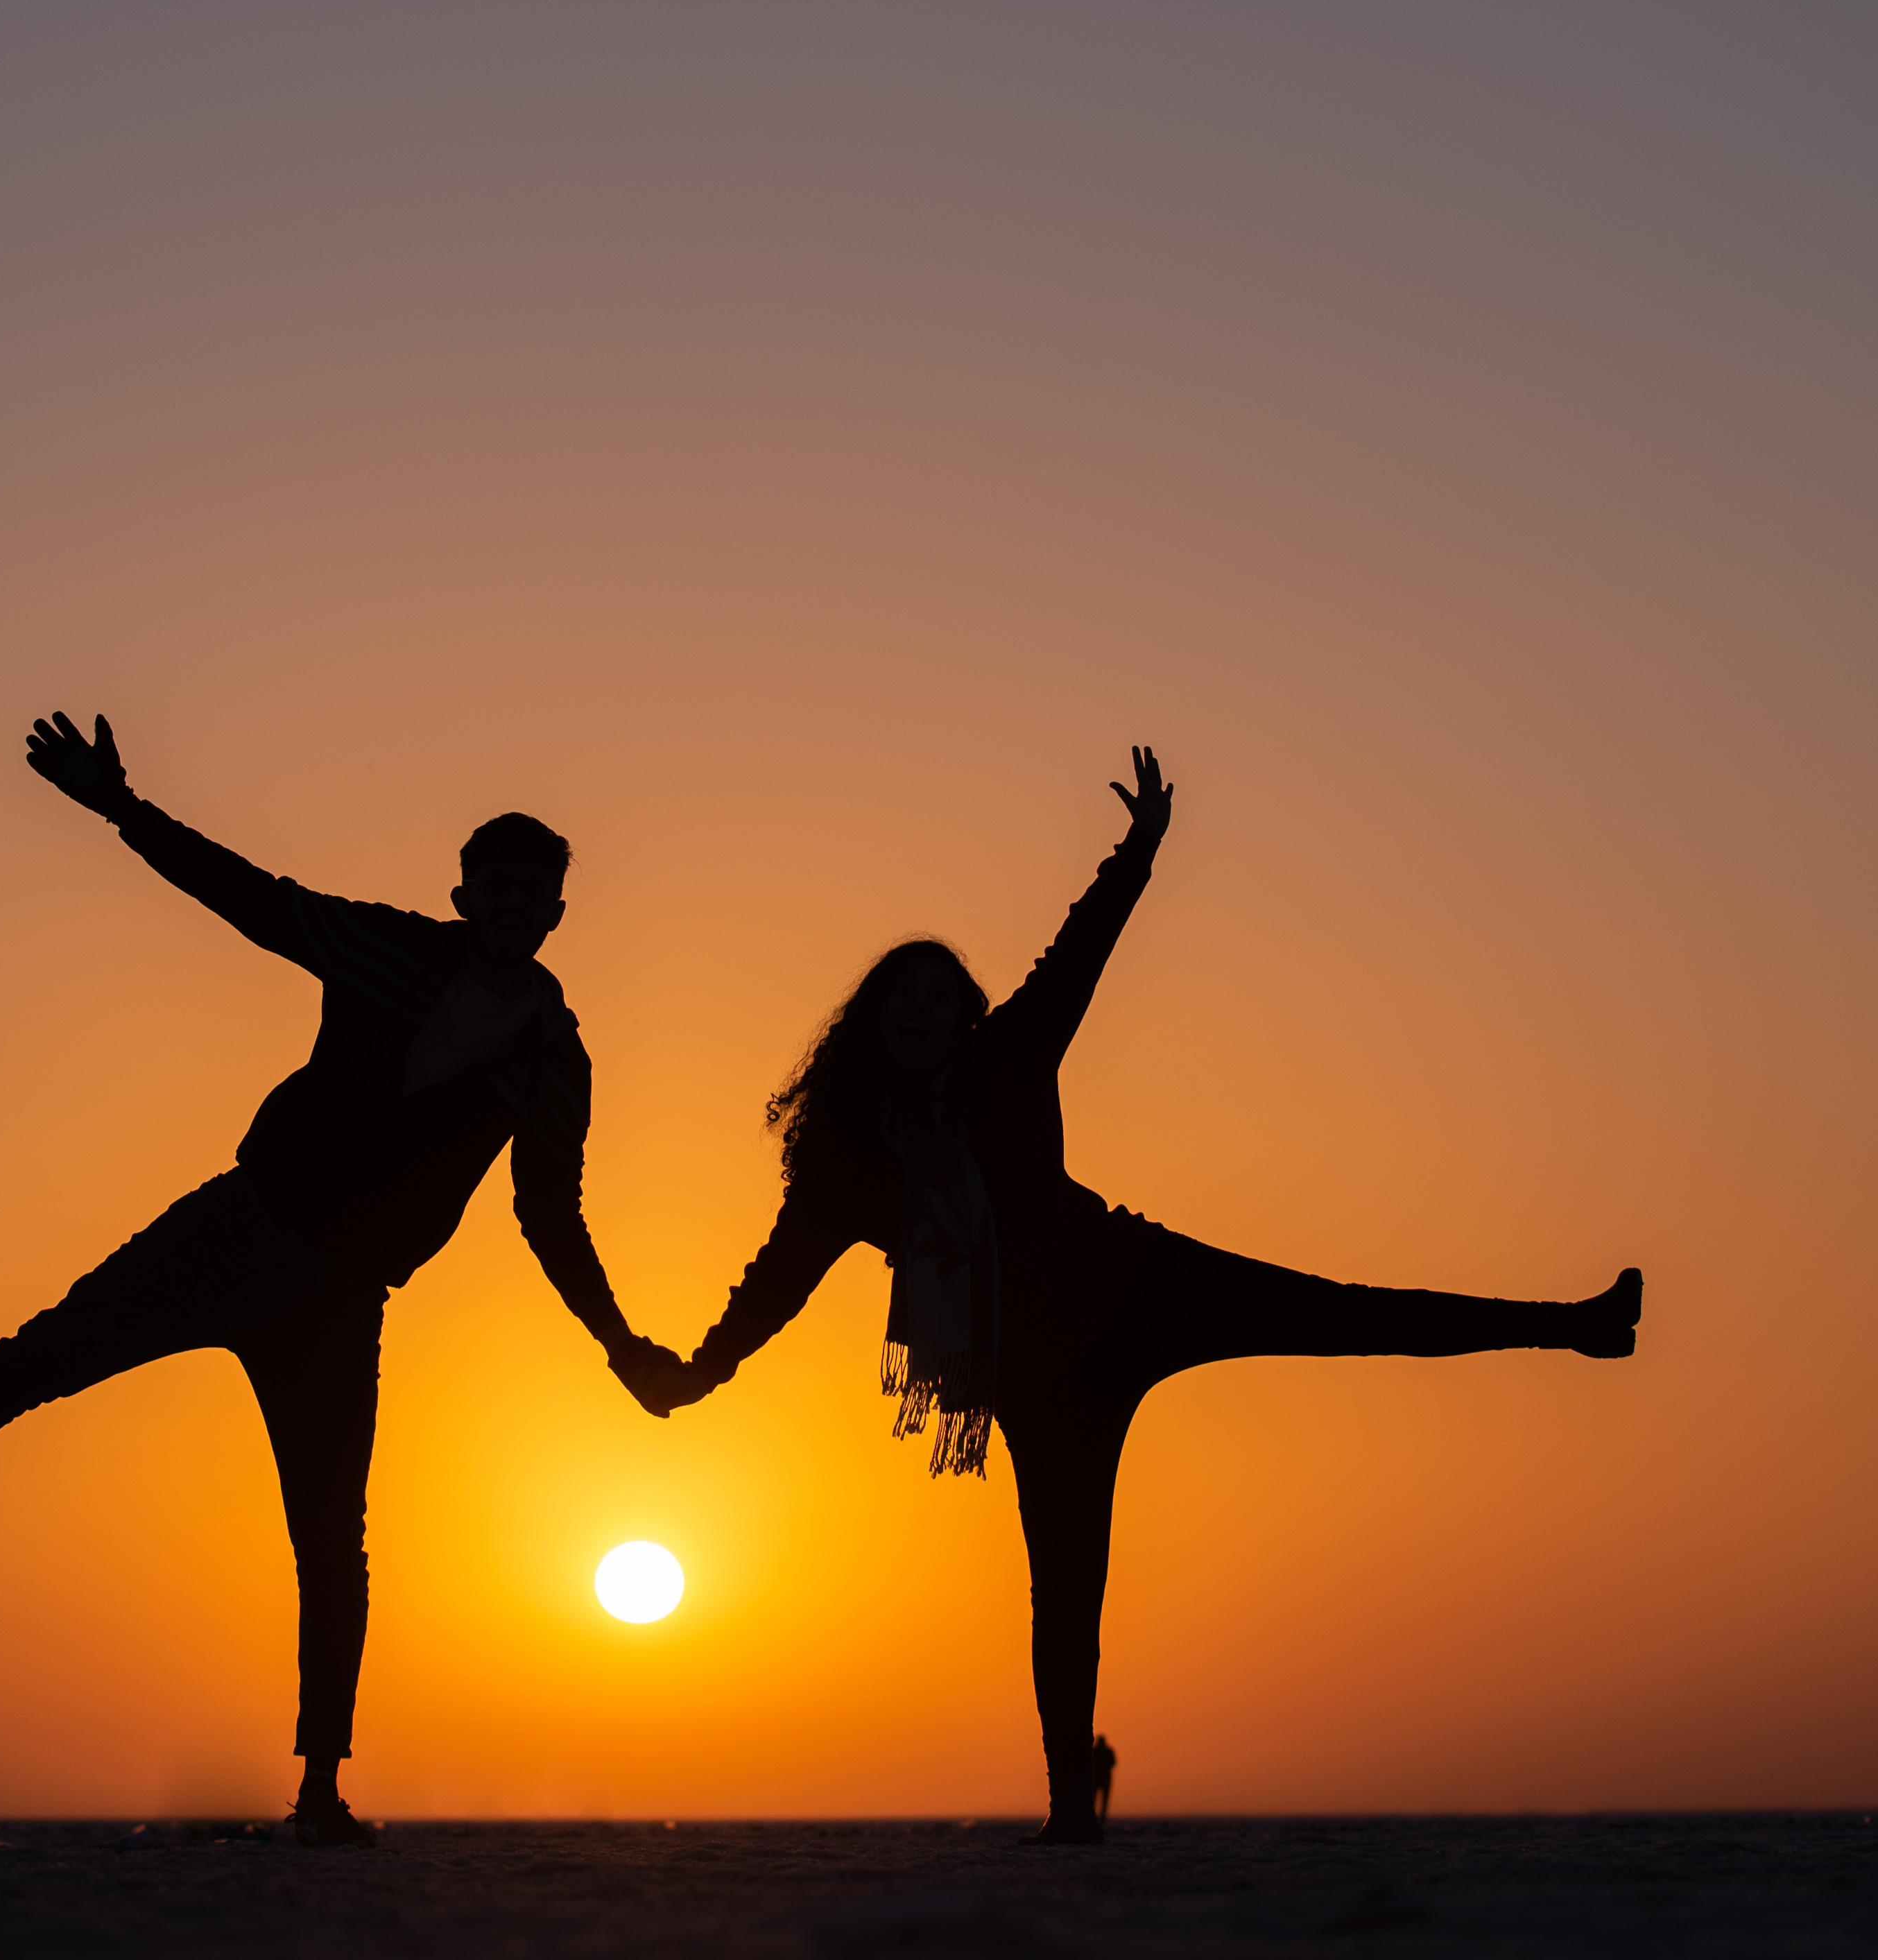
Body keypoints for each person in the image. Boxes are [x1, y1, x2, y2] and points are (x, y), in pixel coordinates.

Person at [0, 711, 691, 1846]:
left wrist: (617, 1341)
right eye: (494, 886)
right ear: (462, 896)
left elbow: (552, 1215)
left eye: (533, 893)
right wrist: (122, 810)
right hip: (238, 1227)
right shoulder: (381, 949)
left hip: (340, 1297)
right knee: (32, 1361)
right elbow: (247, 895)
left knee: (331, 1536)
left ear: (554, 914)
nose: (510, 908)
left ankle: (321, 1786)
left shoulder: (554, 1063)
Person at [662, 748, 1644, 1842]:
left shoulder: (1011, 1054)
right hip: (1035, 1376)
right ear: (873, 1013)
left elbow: (1080, 952)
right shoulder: (850, 1156)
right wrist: (700, 1368)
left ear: (964, 1014)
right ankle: (1070, 1808)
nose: (924, 1011)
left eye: (943, 996)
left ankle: (1579, 1325)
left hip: (1140, 1283)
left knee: (1349, 1312)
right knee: (1067, 1585)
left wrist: (1139, 849)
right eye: (906, 994)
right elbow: (778, 1280)